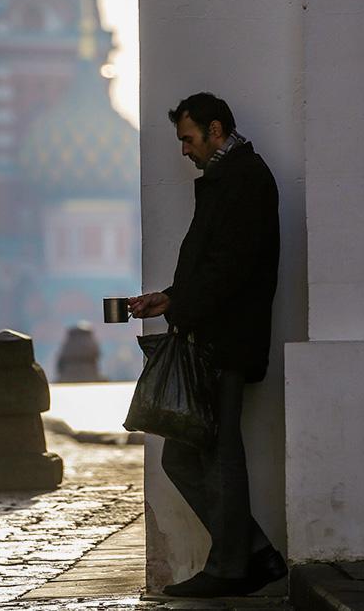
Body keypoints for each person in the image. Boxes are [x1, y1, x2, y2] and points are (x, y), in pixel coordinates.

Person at [127, 92, 286, 599]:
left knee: (217, 455)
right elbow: (213, 267)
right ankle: (253, 554)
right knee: (186, 457)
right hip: (209, 336)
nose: (183, 150)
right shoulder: (228, 179)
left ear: (215, 130)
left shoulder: (244, 180)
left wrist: (178, 305)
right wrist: (169, 299)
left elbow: (229, 270)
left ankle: (231, 565)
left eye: (188, 138)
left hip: (224, 341)